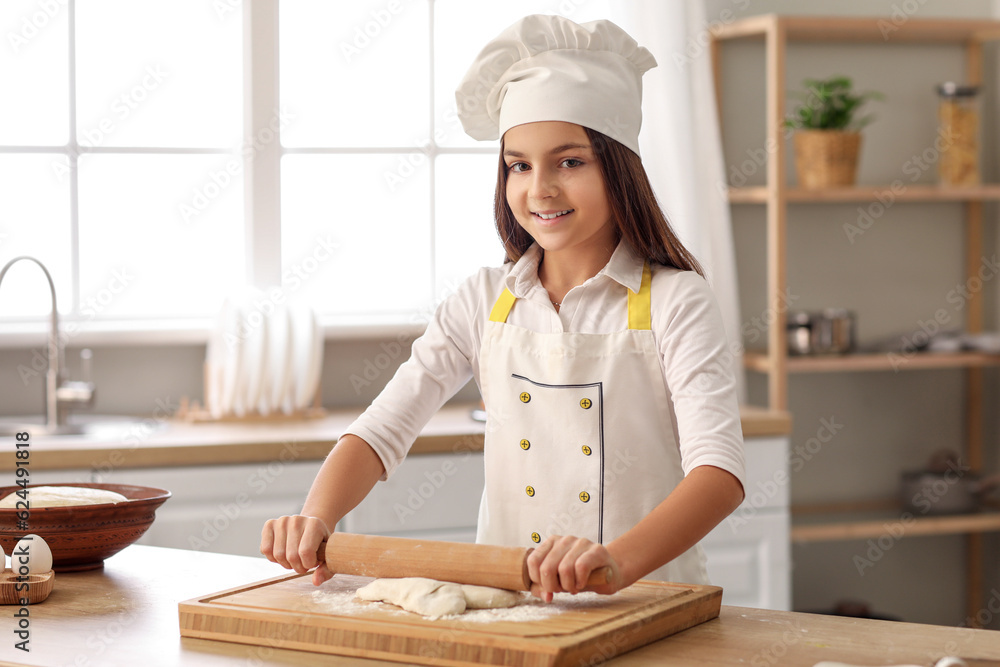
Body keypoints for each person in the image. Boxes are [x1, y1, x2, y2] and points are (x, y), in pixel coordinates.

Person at [261, 14, 745, 602]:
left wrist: (613, 564)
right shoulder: (482, 301)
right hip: (510, 608)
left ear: (620, 169)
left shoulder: (676, 300)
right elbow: (383, 429)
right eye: (519, 164)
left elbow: (718, 475)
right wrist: (316, 516)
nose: (539, 188)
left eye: (570, 161)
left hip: (646, 603)